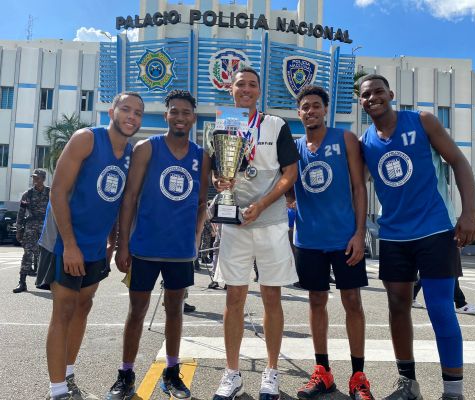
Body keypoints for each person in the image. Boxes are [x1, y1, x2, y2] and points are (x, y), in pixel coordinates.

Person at [359, 74, 475, 400]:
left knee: (441, 308)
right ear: (361, 102)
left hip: (435, 229)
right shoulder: (365, 142)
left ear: (391, 94)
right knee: (398, 307)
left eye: (378, 92)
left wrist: (469, 213)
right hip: (394, 235)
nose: (372, 98)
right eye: (366, 95)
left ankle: (453, 392)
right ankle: (408, 385)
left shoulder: (422, 120)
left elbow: (458, 161)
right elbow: (354, 185)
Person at [35, 92, 144, 400]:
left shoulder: (129, 154)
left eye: (138, 112)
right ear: (112, 111)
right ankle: (57, 392)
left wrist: (117, 242)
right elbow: (57, 191)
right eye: (126, 109)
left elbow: (119, 201)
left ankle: (67, 376)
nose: (132, 116)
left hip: (95, 245)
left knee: (84, 306)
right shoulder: (86, 139)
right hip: (65, 240)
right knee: (64, 308)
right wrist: (70, 245)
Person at [106, 90, 210, 400]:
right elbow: (130, 197)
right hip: (144, 247)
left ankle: (172, 372)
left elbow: (202, 201)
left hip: (179, 251)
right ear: (166, 115)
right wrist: (123, 245)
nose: (180, 117)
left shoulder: (201, 156)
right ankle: (125, 374)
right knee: (137, 311)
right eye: (174, 111)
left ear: (193, 117)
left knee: (175, 310)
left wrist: (193, 237)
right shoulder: (146, 148)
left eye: (186, 112)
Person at [212, 66, 299, 400]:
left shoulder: (275, 124)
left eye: (251, 85)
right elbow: (218, 172)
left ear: (259, 91)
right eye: (240, 85)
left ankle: (271, 371)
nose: (245, 89)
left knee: (271, 297)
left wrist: (262, 204)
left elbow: (289, 173)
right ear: (231, 90)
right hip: (234, 223)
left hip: (271, 221)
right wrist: (220, 183)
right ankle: (232, 374)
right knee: (234, 297)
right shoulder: (225, 123)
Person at [292, 86, 374, 399]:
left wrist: (358, 231)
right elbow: (287, 186)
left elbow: (358, 187)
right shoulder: (294, 146)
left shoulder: (346, 139)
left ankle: (358, 376)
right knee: (316, 301)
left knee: (352, 301)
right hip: (309, 238)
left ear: (325, 110)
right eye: (305, 107)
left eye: (315, 106)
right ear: (298, 113)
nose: (310, 111)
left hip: (344, 237)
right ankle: (322, 371)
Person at [13, 168, 50, 293]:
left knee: (45, 254)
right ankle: (22, 282)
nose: (35, 180)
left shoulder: (51, 193)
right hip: (30, 227)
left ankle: (46, 282)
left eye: (37, 178)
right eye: (34, 178)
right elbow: (21, 213)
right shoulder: (27, 194)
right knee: (27, 253)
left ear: (43, 179)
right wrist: (19, 230)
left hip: (46, 227)